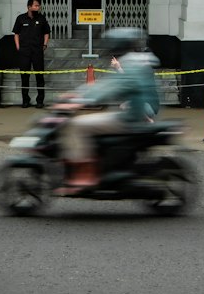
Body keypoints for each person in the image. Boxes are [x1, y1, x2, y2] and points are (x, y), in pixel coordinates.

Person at [62, 28, 160, 189]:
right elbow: (113, 84)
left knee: (79, 124)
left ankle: (84, 173)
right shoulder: (136, 60)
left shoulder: (131, 63)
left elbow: (110, 87)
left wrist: (81, 98)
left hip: (131, 117)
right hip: (135, 112)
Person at [12, 0, 50, 108]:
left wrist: (45, 44)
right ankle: (25, 100)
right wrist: (18, 47)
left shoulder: (42, 18)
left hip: (37, 51)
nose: (38, 7)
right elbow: (16, 33)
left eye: (39, 6)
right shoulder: (20, 18)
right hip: (24, 52)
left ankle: (40, 101)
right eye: (36, 5)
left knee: (39, 76)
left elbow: (47, 33)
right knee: (24, 76)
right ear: (29, 7)